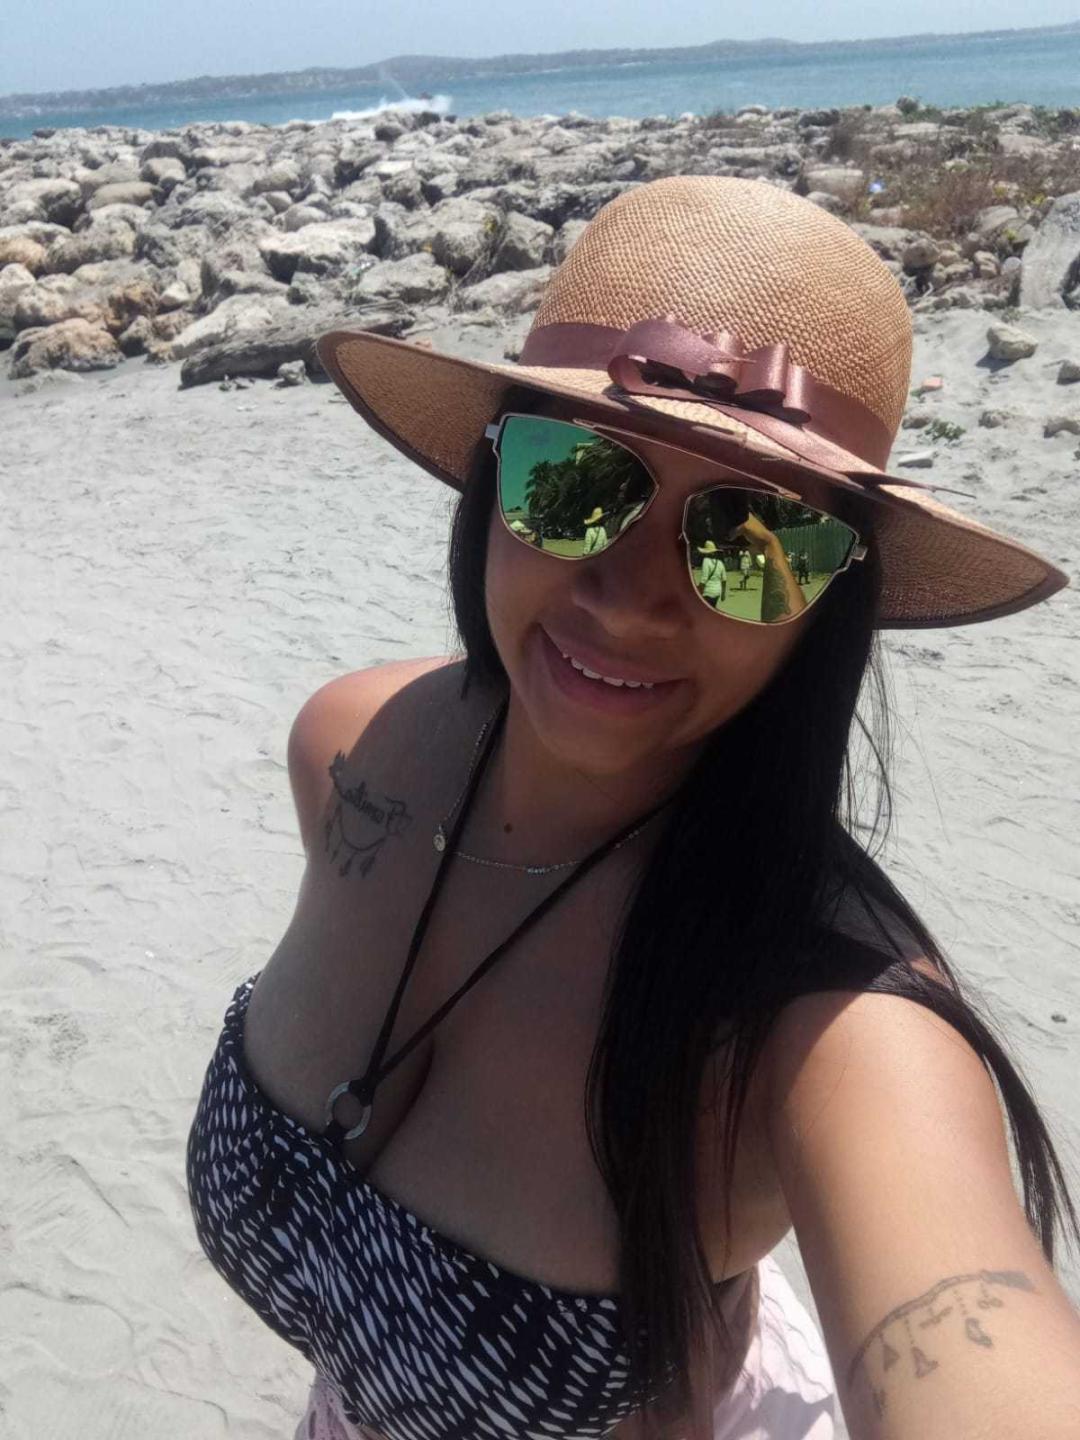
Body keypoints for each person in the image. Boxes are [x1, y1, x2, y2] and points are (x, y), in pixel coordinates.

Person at [187, 177, 1080, 1440]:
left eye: (752, 541)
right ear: (492, 476)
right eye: (575, 482)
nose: (630, 599)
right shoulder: (352, 748)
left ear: (828, 604)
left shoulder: (824, 1016)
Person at [697, 539, 727, 608]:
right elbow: (724, 580)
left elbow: (703, 580)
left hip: (708, 592)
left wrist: (699, 592)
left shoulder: (706, 561)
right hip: (717, 592)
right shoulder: (720, 562)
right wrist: (723, 594)